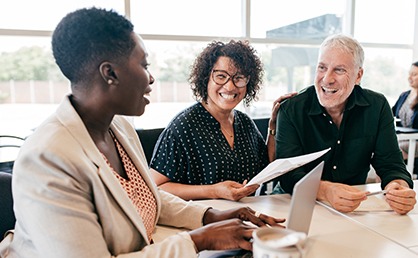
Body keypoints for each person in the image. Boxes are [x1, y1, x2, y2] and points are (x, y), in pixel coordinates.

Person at [0, 8, 286, 257]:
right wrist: (200, 240)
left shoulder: (118, 127)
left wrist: (212, 216)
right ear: (110, 73)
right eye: (144, 65)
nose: (151, 78)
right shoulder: (47, 157)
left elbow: (145, 195)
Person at [273, 34, 416, 215]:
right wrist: (326, 190)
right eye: (322, 68)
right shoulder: (292, 109)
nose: (327, 79)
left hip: (353, 206)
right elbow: (288, 174)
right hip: (294, 200)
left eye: (339, 70)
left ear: (358, 75)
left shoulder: (377, 106)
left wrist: (397, 186)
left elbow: (391, 164)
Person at [150, 40, 296, 201]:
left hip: (245, 215)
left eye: (239, 78)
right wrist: (213, 191)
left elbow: (267, 165)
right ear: (206, 78)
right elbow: (156, 187)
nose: (230, 86)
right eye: (221, 76)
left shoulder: (244, 123)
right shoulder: (183, 126)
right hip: (202, 220)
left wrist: (273, 125)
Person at [392, 61, 418, 160]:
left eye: (414, 74)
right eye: (409, 74)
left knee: (391, 151)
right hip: (403, 138)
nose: (409, 78)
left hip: (415, 140)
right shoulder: (404, 95)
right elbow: (390, 113)